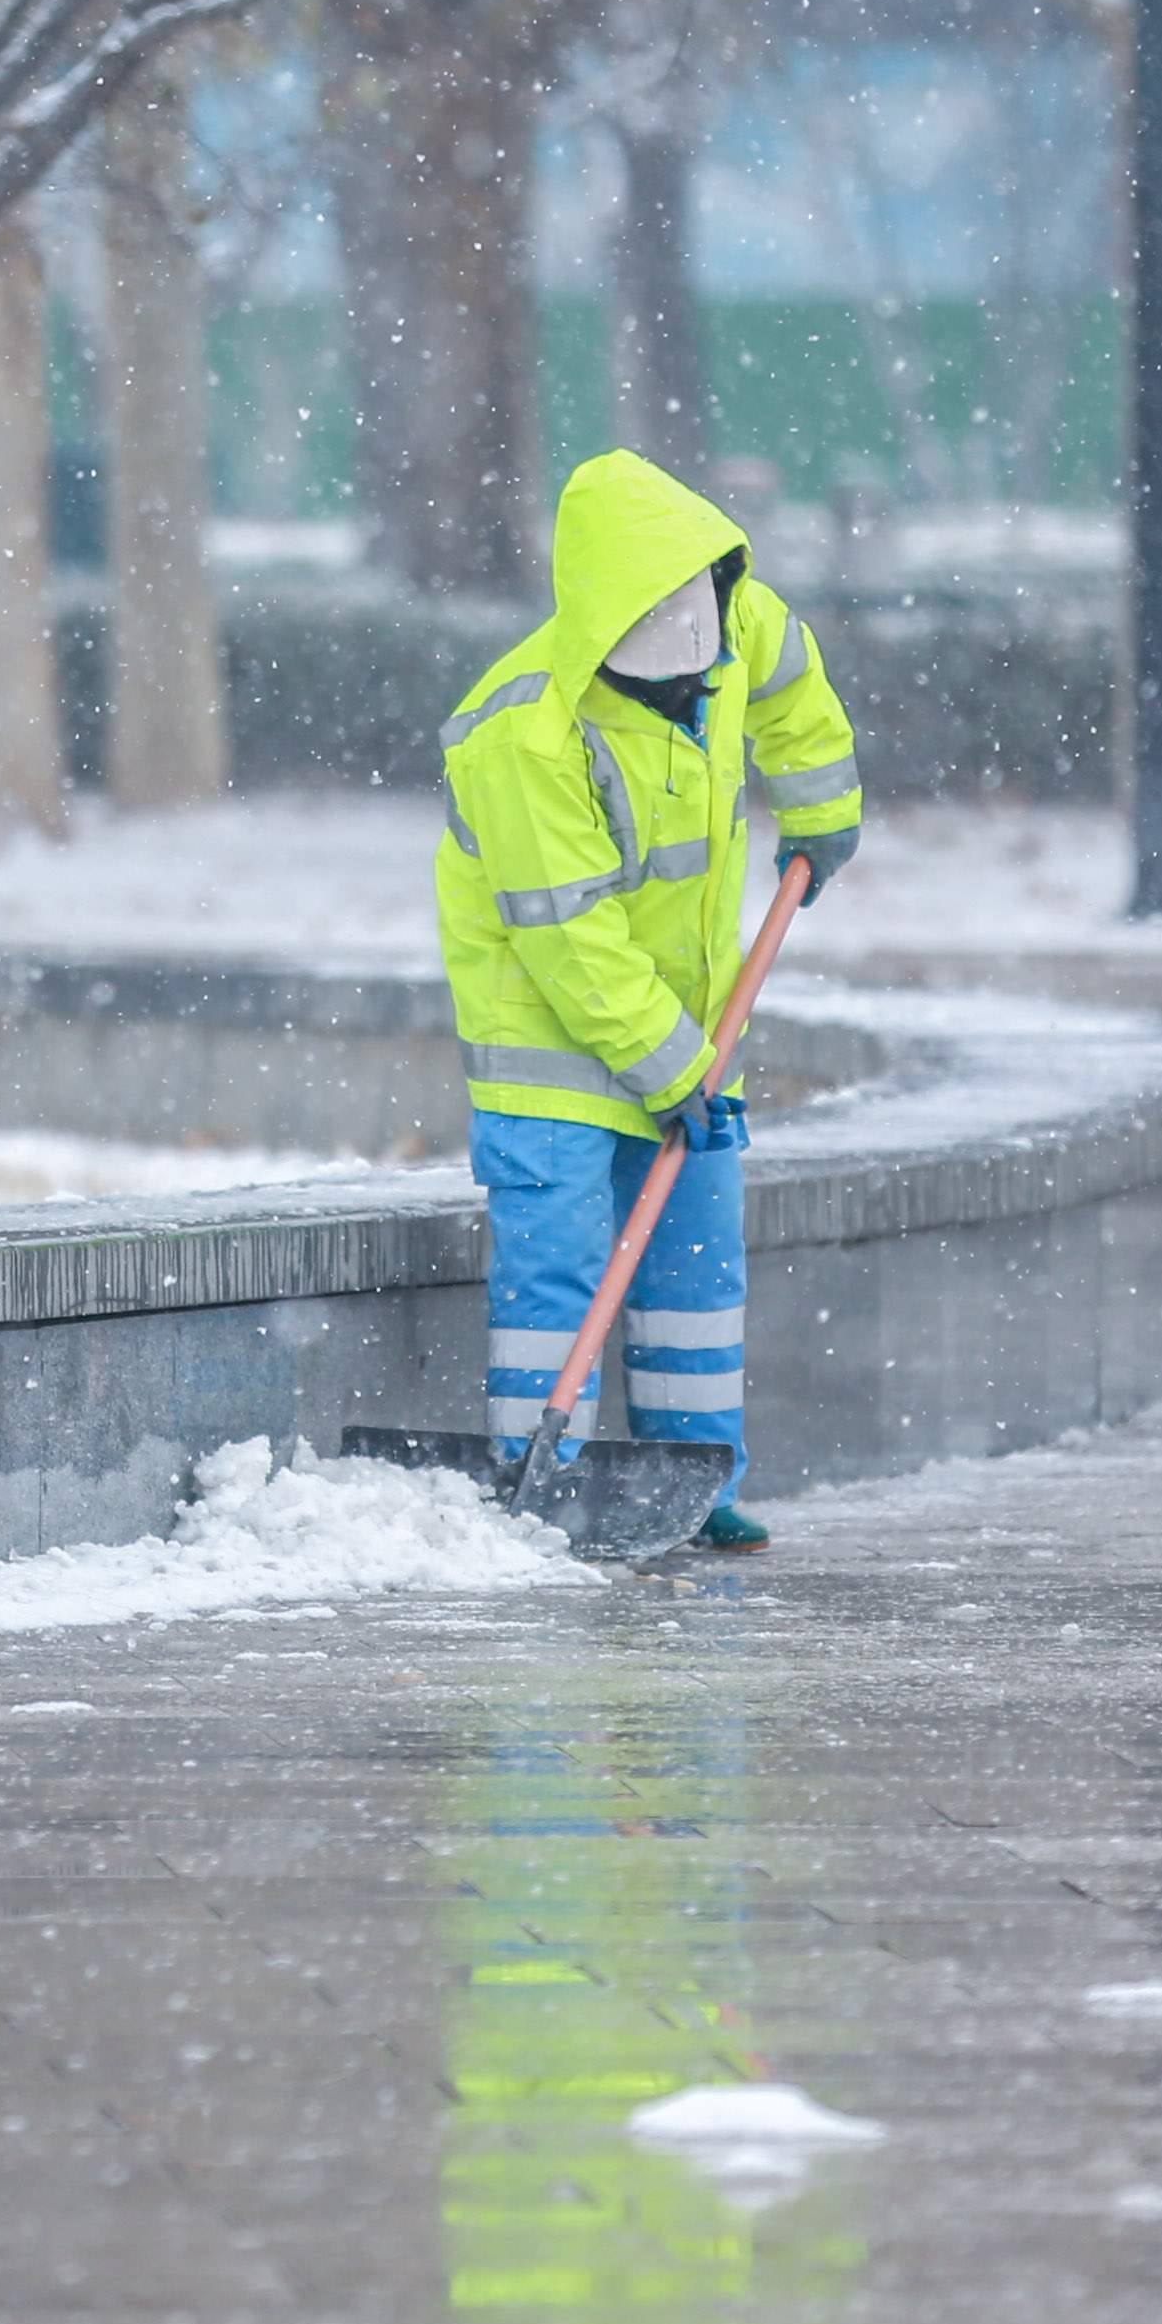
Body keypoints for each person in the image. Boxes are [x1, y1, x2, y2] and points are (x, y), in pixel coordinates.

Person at [431, 451, 862, 1551]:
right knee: (557, 1270)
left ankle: (696, 1476)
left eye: (700, 676)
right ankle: (539, 1478)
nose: (694, 692)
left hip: (692, 1037)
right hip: (555, 1057)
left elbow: (790, 676)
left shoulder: (725, 617)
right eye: (668, 684)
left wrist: (820, 799)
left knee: (693, 1280)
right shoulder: (524, 735)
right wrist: (672, 1071)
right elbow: (573, 944)